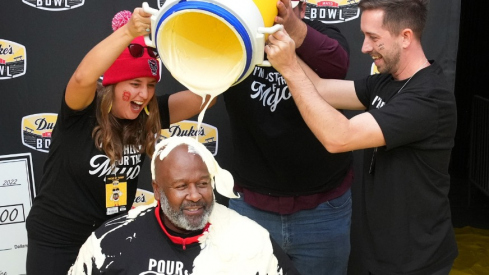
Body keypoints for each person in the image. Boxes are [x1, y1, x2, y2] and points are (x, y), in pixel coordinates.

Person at [265, 0, 458, 274]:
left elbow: (339, 137)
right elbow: (321, 88)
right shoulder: (387, 80)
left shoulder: (429, 97)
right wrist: (285, 50)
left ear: (405, 37)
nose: (364, 47)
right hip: (376, 252)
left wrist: (289, 68)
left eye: (373, 37)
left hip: (415, 260)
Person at [25, 8, 213, 275]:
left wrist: (202, 45)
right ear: (113, 84)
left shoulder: (150, 113)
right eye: (134, 83)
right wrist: (129, 32)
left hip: (110, 240)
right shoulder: (81, 112)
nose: (144, 94)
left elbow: (207, 96)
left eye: (150, 84)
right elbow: (82, 78)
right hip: (57, 240)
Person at [224, 0, 353, 274]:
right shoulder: (233, 38)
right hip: (252, 206)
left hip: (321, 210)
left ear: (302, 10)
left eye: (281, 6)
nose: (272, 13)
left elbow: (338, 64)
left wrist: (289, 27)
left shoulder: (323, 36)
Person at [68, 136, 301, 275]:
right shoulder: (110, 240)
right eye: (181, 186)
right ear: (157, 190)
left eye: (202, 183)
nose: (195, 196)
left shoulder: (251, 238)